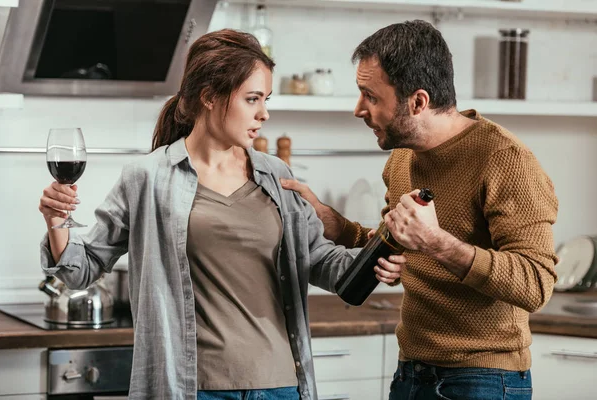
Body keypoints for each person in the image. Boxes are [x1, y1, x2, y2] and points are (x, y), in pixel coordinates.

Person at [37, 29, 402, 400]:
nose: (265, 113)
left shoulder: (277, 176)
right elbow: (79, 270)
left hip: (279, 386)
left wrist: (375, 257)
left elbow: (321, 261)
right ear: (210, 96)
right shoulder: (148, 178)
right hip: (192, 388)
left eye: (266, 99)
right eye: (253, 99)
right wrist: (55, 221)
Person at [281, 20, 558, 400]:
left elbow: (536, 284)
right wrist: (338, 226)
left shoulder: (506, 160)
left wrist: (436, 241)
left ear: (418, 101)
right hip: (412, 370)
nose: (358, 109)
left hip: (484, 378)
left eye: (370, 96)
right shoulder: (402, 157)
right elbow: (398, 246)